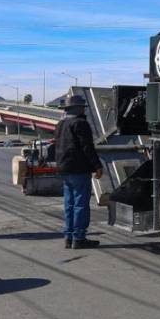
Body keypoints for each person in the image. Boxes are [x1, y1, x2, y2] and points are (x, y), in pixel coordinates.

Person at [54, 95, 103, 249]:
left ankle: (68, 237)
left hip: (64, 168)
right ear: (78, 108)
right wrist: (97, 166)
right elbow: (87, 147)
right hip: (79, 169)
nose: (83, 110)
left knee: (69, 204)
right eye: (82, 107)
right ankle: (79, 238)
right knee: (80, 204)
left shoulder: (60, 124)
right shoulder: (81, 124)